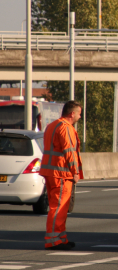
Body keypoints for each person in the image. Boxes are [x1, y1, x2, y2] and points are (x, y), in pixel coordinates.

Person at [40, 101, 83, 250]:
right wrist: (75, 172)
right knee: (59, 207)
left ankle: (61, 238)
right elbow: (69, 152)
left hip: (51, 172)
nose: (80, 116)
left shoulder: (52, 125)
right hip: (61, 173)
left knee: (57, 207)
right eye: (79, 113)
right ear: (72, 114)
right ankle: (54, 240)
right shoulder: (66, 128)